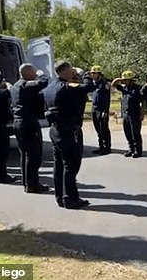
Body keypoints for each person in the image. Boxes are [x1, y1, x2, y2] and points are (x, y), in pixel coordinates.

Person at [43, 60, 95, 209]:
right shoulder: (66, 87)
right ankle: (70, 198)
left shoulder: (49, 88)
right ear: (65, 70)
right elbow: (89, 86)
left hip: (55, 129)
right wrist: (83, 73)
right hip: (68, 130)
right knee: (70, 165)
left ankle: (60, 196)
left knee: (58, 164)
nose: (73, 72)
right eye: (70, 70)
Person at [11, 63, 49, 193]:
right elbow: (44, 82)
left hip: (18, 122)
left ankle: (27, 182)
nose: (35, 74)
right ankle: (32, 184)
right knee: (33, 155)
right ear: (27, 73)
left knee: (24, 153)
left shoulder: (15, 85)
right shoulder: (26, 85)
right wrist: (41, 74)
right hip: (28, 123)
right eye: (33, 72)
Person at [111, 70, 144, 158]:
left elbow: (143, 101)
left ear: (131, 80)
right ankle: (131, 149)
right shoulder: (124, 88)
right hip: (125, 114)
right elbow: (113, 85)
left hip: (135, 114)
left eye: (126, 80)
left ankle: (138, 150)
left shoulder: (137, 89)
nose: (124, 81)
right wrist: (118, 79)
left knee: (135, 133)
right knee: (127, 132)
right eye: (124, 80)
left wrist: (142, 113)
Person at [89, 65, 111, 155]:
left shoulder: (104, 85)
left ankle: (106, 147)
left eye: (94, 73)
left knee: (103, 129)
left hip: (102, 110)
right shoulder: (94, 83)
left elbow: (107, 99)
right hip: (94, 109)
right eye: (92, 73)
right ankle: (101, 146)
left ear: (99, 74)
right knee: (98, 129)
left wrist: (105, 111)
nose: (92, 75)